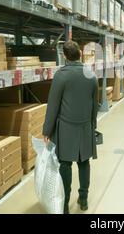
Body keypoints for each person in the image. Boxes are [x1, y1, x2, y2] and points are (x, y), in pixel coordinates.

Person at [42, 41, 99, 214]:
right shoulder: (91, 75)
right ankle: (83, 199)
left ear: (65, 56)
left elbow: (53, 105)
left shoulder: (61, 75)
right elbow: (94, 104)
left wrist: (47, 130)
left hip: (66, 128)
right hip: (85, 126)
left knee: (65, 165)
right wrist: (92, 125)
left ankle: (65, 204)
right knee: (84, 163)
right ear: (80, 54)